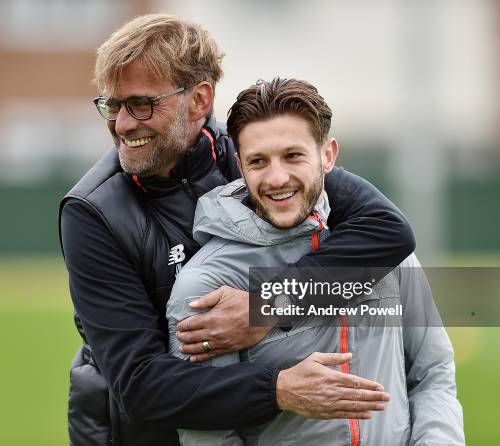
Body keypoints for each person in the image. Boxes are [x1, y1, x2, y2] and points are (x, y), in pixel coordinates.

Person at [59, 14, 416, 446]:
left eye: (141, 104)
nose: (122, 124)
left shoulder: (255, 155)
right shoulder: (92, 211)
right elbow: (140, 384)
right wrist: (279, 389)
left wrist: (265, 306)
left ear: (199, 101)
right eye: (112, 105)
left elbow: (387, 230)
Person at [167, 78, 464, 445]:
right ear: (240, 166)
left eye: (293, 156)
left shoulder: (382, 251)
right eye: (259, 161)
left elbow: (432, 372)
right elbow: (207, 431)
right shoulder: (206, 285)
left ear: (328, 155)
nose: (277, 178)